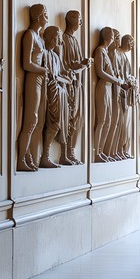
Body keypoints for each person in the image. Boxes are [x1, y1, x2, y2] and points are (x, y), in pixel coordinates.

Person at [16, 4, 49, 171]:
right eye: (45, 15)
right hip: (33, 79)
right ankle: (21, 158)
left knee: (37, 121)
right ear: (37, 16)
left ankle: (28, 155)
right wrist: (43, 70)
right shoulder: (29, 35)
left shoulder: (40, 37)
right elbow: (26, 63)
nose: (47, 18)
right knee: (31, 120)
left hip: (40, 79)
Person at [60, 10, 92, 165]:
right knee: (69, 117)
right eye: (79, 19)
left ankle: (72, 151)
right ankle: (65, 153)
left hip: (78, 83)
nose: (81, 23)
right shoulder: (64, 39)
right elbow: (64, 63)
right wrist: (80, 64)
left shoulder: (74, 40)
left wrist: (83, 63)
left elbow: (77, 61)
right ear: (70, 19)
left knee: (79, 118)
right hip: (69, 84)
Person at [40, 25, 71, 169]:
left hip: (58, 92)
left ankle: (46, 156)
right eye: (58, 37)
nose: (59, 41)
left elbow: (58, 74)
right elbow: (48, 75)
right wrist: (59, 79)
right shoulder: (44, 53)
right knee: (53, 123)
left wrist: (65, 78)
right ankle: (44, 156)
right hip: (50, 91)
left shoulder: (55, 56)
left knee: (58, 124)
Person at [93, 27, 122, 162]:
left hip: (109, 88)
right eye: (111, 36)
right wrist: (116, 80)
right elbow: (100, 72)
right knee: (102, 120)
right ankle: (96, 152)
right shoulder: (99, 50)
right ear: (106, 37)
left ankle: (101, 150)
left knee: (108, 121)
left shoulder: (105, 52)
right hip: (103, 87)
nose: (113, 39)